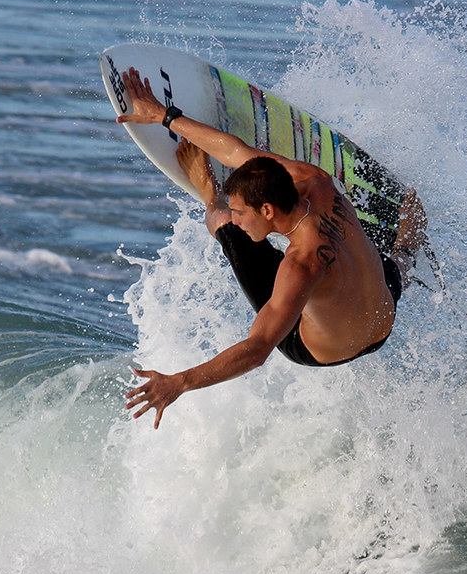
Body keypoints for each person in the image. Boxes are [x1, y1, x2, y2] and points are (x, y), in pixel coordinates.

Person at [117, 67, 425, 428]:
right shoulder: (315, 180)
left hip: (320, 350)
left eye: (241, 211)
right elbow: (238, 152)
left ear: (267, 209)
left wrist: (178, 383)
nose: (238, 216)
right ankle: (411, 238)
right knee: (391, 263)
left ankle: (207, 191)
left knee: (226, 232)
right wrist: (164, 116)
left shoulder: (300, 266)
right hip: (383, 313)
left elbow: (257, 349)